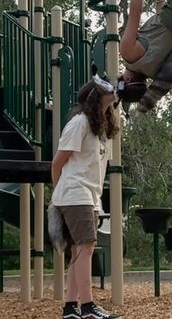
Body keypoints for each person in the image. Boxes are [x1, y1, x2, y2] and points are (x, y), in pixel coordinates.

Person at [51, 75, 119, 319]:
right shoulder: (79, 123)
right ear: (95, 94)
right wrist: (59, 197)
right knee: (86, 248)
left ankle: (71, 308)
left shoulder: (102, 127)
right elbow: (57, 163)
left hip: (90, 195)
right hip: (75, 192)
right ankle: (88, 307)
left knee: (80, 251)